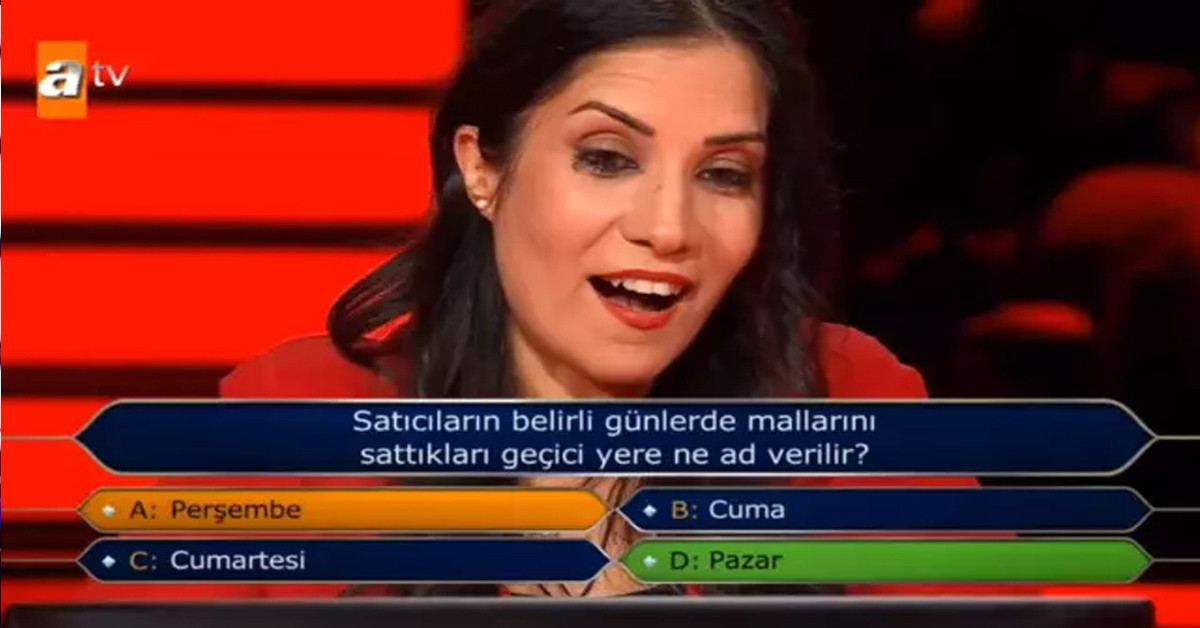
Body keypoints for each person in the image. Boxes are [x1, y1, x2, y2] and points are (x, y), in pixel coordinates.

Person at [220, 0, 971, 598]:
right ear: (482, 170)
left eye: (723, 175)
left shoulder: (848, 403)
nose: (668, 228)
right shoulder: (290, 424)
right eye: (607, 159)